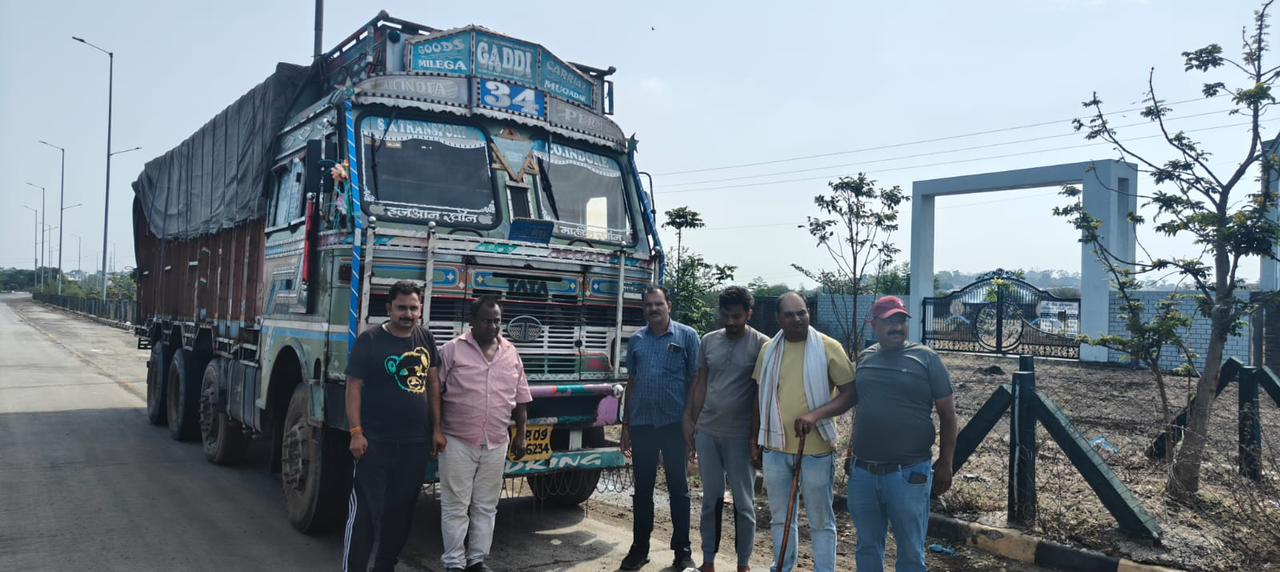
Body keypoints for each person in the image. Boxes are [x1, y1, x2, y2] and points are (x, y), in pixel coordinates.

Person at [845, 295, 957, 572]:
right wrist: (850, 450)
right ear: (874, 325)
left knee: (910, 552)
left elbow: (948, 415)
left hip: (908, 474)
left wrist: (946, 463)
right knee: (867, 547)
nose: (896, 327)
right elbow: (862, 407)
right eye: (889, 321)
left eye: (901, 321)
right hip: (863, 473)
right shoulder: (865, 358)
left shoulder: (926, 359)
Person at [343, 280, 441, 572]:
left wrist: (437, 429)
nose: (408, 314)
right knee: (365, 513)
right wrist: (356, 433)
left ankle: (384, 566)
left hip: (414, 445)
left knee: (401, 511)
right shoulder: (370, 340)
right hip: (374, 444)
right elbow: (353, 387)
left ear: (420, 309)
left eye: (413, 308)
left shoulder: (425, 338)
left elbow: (433, 384)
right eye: (401, 308)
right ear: (389, 309)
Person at [754, 292, 854, 572]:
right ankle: (783, 567)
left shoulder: (829, 347)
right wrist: (755, 440)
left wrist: (815, 415)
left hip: (817, 451)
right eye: (790, 314)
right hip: (775, 448)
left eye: (802, 313)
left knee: (821, 520)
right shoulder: (769, 350)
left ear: (809, 313)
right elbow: (758, 397)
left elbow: (850, 393)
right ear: (778, 318)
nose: (797, 319)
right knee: (780, 517)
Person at [433, 296, 532, 572]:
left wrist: (521, 435)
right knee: (455, 505)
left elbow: (521, 398)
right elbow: (435, 393)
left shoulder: (511, 352)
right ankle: (454, 562)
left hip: (496, 441)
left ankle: (476, 560)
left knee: (486, 506)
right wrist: (436, 430)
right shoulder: (452, 350)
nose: (493, 326)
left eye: (497, 321)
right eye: (486, 321)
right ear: (472, 322)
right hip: (457, 440)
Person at [682, 286, 769, 572]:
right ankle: (708, 561)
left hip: (741, 437)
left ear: (748, 314)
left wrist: (757, 438)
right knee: (711, 499)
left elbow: (763, 394)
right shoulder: (708, 341)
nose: (731, 322)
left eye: (737, 316)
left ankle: (743, 564)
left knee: (744, 504)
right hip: (708, 431)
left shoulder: (762, 345)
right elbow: (701, 383)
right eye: (726, 315)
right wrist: (690, 419)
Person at [620, 286, 701, 571]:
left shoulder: (687, 336)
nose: (653, 309)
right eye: (648, 305)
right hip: (642, 424)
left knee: (679, 489)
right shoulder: (636, 340)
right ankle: (639, 549)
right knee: (642, 491)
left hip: (675, 425)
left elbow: (697, 381)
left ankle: (683, 552)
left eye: (658, 304)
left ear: (669, 305)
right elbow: (632, 383)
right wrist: (626, 424)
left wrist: (691, 420)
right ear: (643, 308)